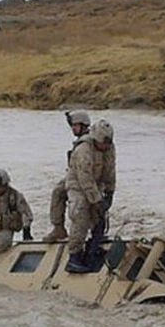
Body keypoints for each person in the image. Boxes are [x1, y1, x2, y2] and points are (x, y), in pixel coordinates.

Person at [64, 119, 116, 273]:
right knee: (80, 217)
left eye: (108, 143)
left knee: (99, 218)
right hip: (78, 186)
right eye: (103, 143)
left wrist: (109, 193)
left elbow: (110, 170)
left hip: (96, 183)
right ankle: (74, 257)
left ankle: (94, 247)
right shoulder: (83, 149)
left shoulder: (108, 148)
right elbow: (84, 178)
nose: (105, 147)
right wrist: (96, 200)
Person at [44, 110, 91, 242]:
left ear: (84, 125)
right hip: (74, 177)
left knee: (79, 207)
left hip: (86, 180)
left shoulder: (89, 142)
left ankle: (85, 233)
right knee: (58, 192)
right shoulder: (81, 141)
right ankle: (58, 228)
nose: (73, 128)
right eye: (72, 125)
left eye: (76, 125)